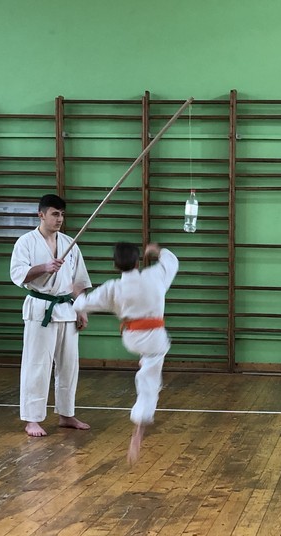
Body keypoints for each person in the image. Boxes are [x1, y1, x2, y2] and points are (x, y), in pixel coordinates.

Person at [73, 241, 179, 462]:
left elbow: (83, 304)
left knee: (148, 362)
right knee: (150, 378)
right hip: (154, 337)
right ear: (138, 262)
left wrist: (76, 294)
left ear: (115, 265)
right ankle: (138, 429)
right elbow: (171, 262)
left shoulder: (113, 287)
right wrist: (157, 250)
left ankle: (145, 360)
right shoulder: (154, 276)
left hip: (131, 337)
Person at [10, 193, 91, 437]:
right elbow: (18, 274)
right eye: (55, 214)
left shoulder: (69, 243)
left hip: (66, 309)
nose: (59, 219)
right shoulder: (26, 242)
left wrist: (81, 308)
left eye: (62, 214)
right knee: (37, 365)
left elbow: (78, 282)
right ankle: (32, 419)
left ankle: (66, 414)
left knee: (69, 366)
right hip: (40, 308)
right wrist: (44, 267)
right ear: (41, 214)